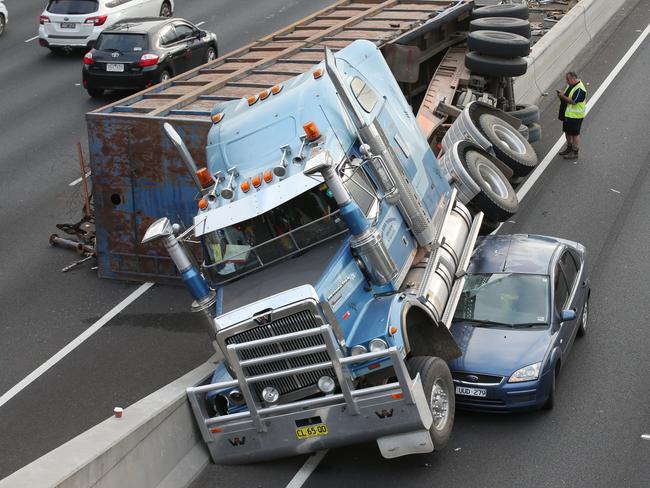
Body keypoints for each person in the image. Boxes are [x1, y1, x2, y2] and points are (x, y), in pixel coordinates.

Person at [557, 71, 587, 160]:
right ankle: (569, 148)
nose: (567, 81)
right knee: (567, 132)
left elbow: (573, 101)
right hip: (568, 115)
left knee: (575, 134)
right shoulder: (571, 85)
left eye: (568, 79)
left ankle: (575, 152)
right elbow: (567, 96)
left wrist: (562, 96)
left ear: (574, 78)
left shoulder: (580, 89)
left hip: (575, 116)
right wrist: (561, 94)